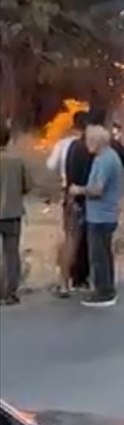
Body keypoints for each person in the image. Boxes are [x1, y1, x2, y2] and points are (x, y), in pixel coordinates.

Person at [66, 110, 124, 293]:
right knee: (99, 249)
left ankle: (91, 284)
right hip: (97, 207)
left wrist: (76, 192)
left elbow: (80, 179)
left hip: (90, 206)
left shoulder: (84, 149)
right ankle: (101, 284)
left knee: (91, 248)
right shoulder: (111, 148)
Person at [55, 110, 89, 297]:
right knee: (77, 240)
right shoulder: (84, 145)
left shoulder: (64, 144)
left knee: (70, 239)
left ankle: (66, 281)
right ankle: (74, 280)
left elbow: (52, 166)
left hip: (69, 194)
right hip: (79, 196)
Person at [0, 124, 30, 305]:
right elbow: (27, 186)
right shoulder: (17, 160)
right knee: (11, 254)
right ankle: (10, 292)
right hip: (12, 213)